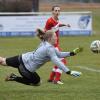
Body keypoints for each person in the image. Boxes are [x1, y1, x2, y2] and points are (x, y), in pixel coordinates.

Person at [0, 29, 82, 86]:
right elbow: (56, 60)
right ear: (50, 38)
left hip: (22, 58)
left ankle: (13, 77)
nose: (56, 37)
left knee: (3, 61)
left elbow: (59, 54)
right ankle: (14, 77)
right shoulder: (49, 49)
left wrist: (72, 53)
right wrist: (68, 72)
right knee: (38, 83)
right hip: (25, 68)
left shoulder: (46, 43)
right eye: (55, 36)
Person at [44, 5, 70, 84]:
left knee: (58, 62)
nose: (57, 12)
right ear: (52, 11)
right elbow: (45, 31)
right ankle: (56, 80)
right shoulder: (50, 21)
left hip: (55, 44)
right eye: (56, 10)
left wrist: (65, 24)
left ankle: (51, 78)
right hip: (53, 45)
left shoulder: (56, 19)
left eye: (59, 10)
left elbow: (57, 24)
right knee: (63, 62)